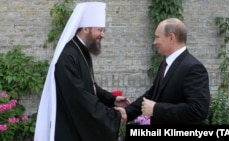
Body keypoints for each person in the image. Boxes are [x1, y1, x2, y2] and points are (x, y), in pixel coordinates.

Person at [34, 2, 130, 141]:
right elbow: (80, 97)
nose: (102, 35)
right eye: (100, 30)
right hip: (69, 129)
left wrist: (112, 99)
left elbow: (89, 85)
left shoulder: (81, 50)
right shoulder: (68, 56)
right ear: (86, 28)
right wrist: (112, 116)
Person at [115, 18, 210, 125]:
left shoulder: (193, 68)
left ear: (171, 37)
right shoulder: (165, 64)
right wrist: (127, 113)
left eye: (157, 37)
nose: (154, 42)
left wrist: (156, 109)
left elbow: (198, 110)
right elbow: (152, 94)